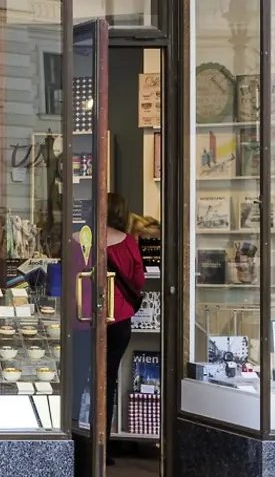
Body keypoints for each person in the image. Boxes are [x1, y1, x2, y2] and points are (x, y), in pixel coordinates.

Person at [102, 192, 148, 461]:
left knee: (84, 381)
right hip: (118, 320)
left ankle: (82, 438)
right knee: (108, 380)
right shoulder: (128, 242)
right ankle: (103, 445)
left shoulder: (80, 241)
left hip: (85, 320)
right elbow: (138, 281)